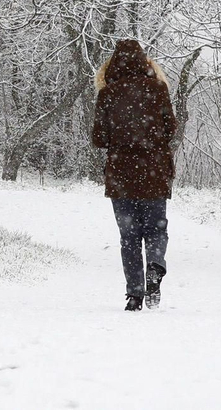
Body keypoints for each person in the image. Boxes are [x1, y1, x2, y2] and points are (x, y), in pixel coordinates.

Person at [90, 38, 177, 312]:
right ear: (145, 62)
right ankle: (155, 265)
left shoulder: (108, 93)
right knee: (155, 230)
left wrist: (120, 135)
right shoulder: (158, 89)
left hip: (121, 174)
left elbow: (99, 138)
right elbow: (170, 129)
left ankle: (134, 295)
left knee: (128, 237)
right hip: (155, 172)